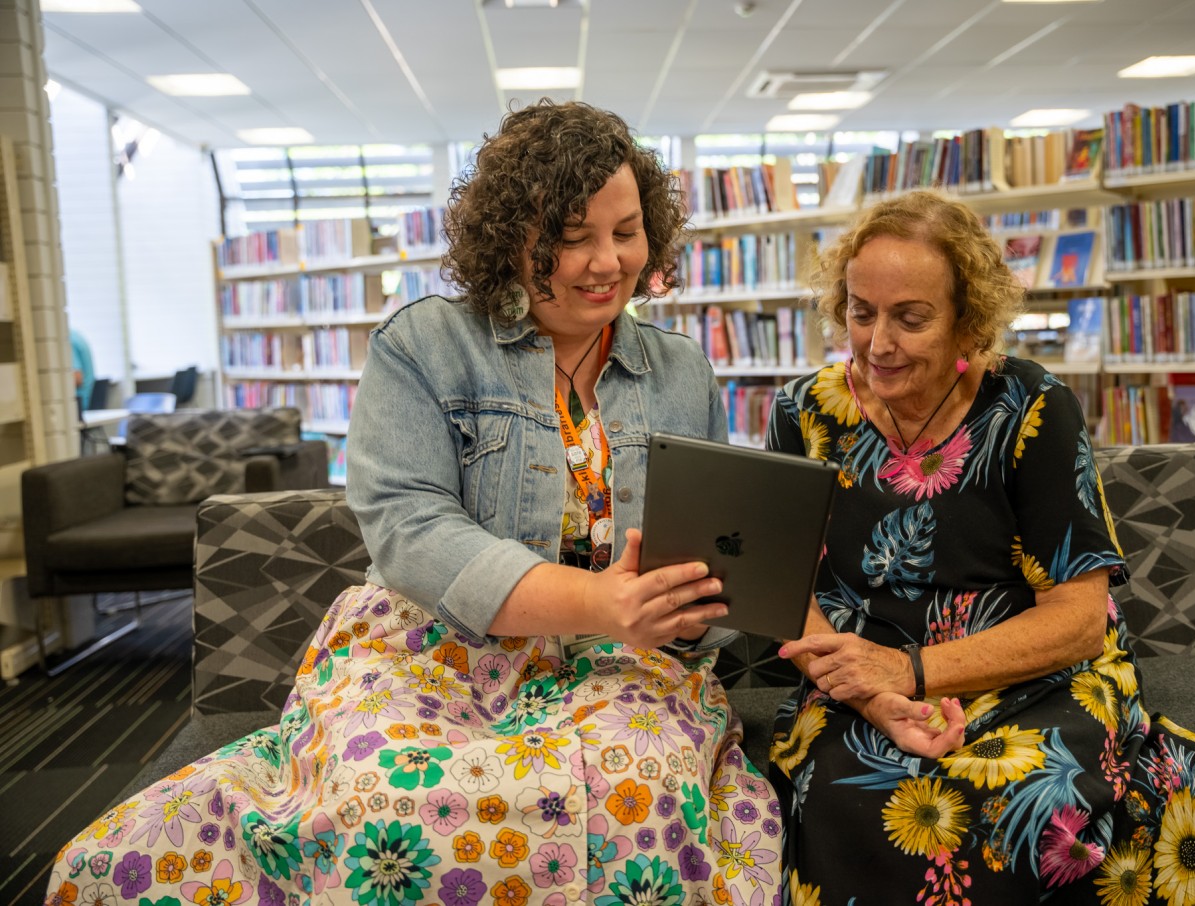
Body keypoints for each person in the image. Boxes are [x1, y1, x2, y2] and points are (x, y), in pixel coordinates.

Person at [47, 101, 782, 906]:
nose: (605, 262)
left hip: (620, 667)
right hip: (435, 649)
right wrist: (598, 600)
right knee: (386, 807)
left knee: (638, 800)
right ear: (510, 235)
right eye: (571, 236)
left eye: (625, 231)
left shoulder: (681, 373)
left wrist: (701, 602)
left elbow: (702, 563)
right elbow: (411, 529)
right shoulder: (424, 345)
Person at [769, 191, 1195, 902]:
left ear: (967, 321)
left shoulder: (1032, 407)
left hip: (1027, 673)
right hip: (859, 678)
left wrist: (912, 672)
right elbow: (785, 587)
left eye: (911, 318)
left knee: (1019, 802)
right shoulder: (804, 412)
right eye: (860, 311)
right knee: (847, 798)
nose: (878, 343)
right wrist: (874, 695)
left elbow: (1077, 617)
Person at [70, 328, 95, 413]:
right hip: (83, 402)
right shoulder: (74, 334)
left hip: (77, 406)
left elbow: (77, 378)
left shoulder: (67, 339)